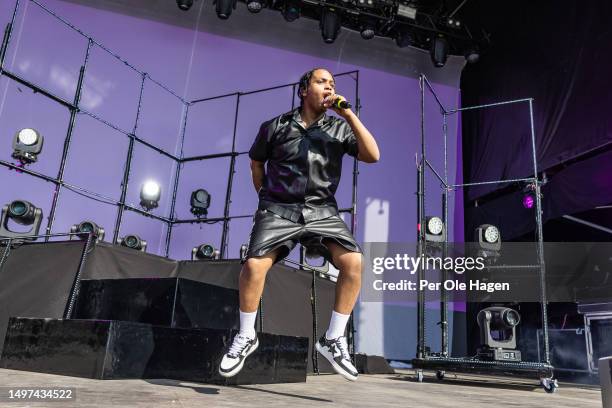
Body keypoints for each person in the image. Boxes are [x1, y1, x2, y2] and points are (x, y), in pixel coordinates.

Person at [218, 68, 380, 381]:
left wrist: (348, 113)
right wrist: (265, 198)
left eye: (333, 84)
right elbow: (256, 162)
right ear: (304, 89)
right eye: (323, 82)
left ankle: (333, 338)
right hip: (278, 209)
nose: (329, 87)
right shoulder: (275, 127)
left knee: (354, 261)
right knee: (253, 267)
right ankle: (247, 335)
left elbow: (373, 155)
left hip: (322, 211)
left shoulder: (339, 128)